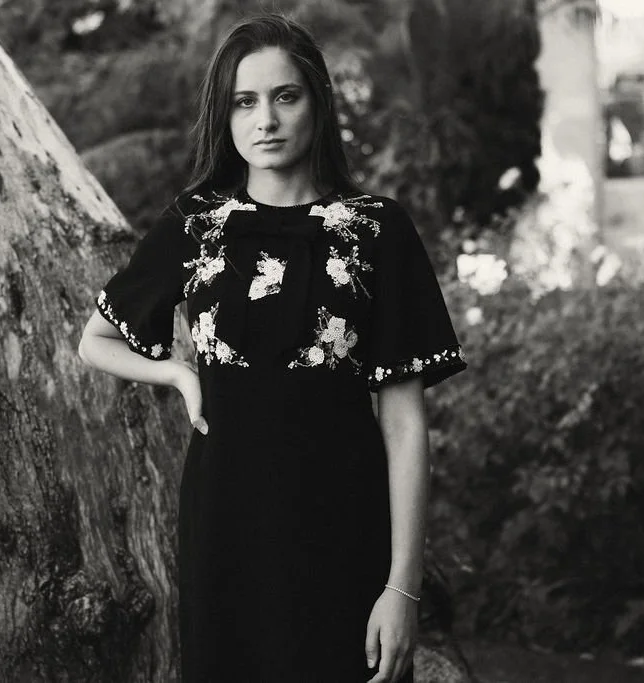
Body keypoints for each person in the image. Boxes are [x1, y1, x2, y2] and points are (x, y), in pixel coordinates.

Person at [78, 13, 466, 683]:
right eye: (244, 102)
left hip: (346, 532)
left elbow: (404, 423)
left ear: (317, 101)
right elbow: (97, 340)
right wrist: (176, 372)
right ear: (223, 116)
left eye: (285, 96)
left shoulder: (376, 231)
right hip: (225, 526)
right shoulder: (197, 225)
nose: (266, 119)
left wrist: (402, 588)